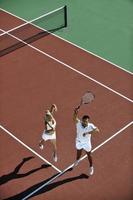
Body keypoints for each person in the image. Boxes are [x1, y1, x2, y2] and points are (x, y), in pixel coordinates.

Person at [73, 107, 99, 175]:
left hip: (87, 144)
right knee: (78, 152)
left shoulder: (90, 126)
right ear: (82, 120)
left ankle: (91, 167)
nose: (85, 122)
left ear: (88, 121)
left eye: (87, 121)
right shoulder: (78, 123)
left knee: (89, 155)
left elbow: (97, 130)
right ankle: (77, 160)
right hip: (78, 141)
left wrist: (88, 133)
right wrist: (75, 112)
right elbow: (74, 118)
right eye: (84, 121)